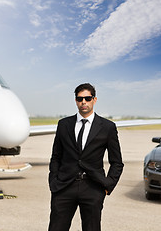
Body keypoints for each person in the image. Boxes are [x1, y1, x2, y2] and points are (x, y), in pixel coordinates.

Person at [48, 83, 124, 231]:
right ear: (76, 100)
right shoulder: (64, 124)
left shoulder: (107, 127)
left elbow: (117, 162)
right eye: (80, 98)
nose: (83, 102)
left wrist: (108, 185)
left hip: (93, 187)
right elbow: (56, 156)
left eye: (87, 98)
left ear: (94, 100)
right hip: (64, 187)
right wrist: (54, 181)